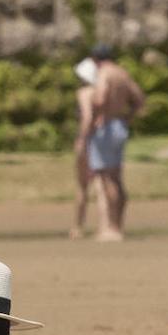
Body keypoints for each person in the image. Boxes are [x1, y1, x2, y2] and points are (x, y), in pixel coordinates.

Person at [81, 44, 144, 242]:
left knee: (107, 177)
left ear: (95, 59)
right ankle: (119, 224)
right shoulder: (122, 73)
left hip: (106, 126)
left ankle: (112, 228)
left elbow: (100, 97)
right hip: (119, 125)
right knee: (117, 177)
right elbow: (139, 99)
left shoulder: (104, 73)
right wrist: (127, 117)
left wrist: (97, 113)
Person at [70, 57, 101, 240]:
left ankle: (78, 227)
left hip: (88, 141)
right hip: (100, 140)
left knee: (83, 186)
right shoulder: (101, 92)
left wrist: (82, 138)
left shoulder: (84, 93)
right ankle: (104, 224)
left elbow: (87, 117)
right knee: (100, 184)